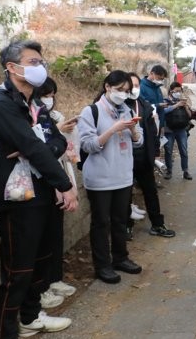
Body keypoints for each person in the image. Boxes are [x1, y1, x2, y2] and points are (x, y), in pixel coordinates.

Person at [0, 40, 76, 339]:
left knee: (40, 261)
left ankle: (31, 315)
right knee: (17, 270)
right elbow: (33, 145)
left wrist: (39, 146)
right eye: (33, 61)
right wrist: (65, 184)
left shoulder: (33, 102)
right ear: (11, 67)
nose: (40, 66)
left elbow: (54, 142)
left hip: (39, 193)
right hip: (15, 198)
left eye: (42, 60)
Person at [78, 70, 144, 284]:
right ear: (107, 87)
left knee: (120, 220)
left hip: (123, 176)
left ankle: (120, 257)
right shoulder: (91, 112)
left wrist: (133, 130)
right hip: (100, 179)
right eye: (118, 90)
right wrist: (112, 130)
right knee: (101, 223)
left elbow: (139, 141)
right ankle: (103, 265)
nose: (123, 95)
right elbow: (88, 145)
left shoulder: (126, 109)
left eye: (126, 91)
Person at [34, 77, 81, 308]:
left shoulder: (56, 117)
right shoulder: (28, 117)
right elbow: (38, 148)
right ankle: (40, 289)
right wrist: (59, 132)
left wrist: (64, 135)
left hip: (60, 178)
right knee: (40, 239)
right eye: (45, 94)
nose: (49, 99)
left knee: (55, 232)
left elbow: (67, 152)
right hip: (40, 183)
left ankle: (54, 278)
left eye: (52, 95)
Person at [127, 74, 175, 238]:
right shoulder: (119, 107)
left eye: (136, 85)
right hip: (125, 159)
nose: (134, 89)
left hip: (144, 158)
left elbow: (152, 131)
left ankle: (157, 224)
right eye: (131, 85)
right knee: (126, 194)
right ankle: (127, 226)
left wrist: (155, 152)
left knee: (150, 192)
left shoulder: (143, 105)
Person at [139, 64, 171, 176]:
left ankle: (152, 174)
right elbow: (142, 106)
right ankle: (144, 177)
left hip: (158, 125)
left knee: (155, 151)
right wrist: (158, 105)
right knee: (147, 152)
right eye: (159, 77)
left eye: (162, 79)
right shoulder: (141, 87)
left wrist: (162, 125)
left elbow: (161, 110)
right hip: (147, 125)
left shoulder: (157, 89)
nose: (160, 80)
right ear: (151, 74)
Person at [162, 81, 194, 180]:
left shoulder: (183, 101)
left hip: (181, 129)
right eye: (176, 91)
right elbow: (163, 111)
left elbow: (189, 116)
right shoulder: (165, 101)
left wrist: (185, 106)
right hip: (169, 130)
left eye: (180, 91)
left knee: (184, 150)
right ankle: (169, 170)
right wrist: (176, 105)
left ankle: (185, 171)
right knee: (168, 151)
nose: (178, 93)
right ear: (171, 91)